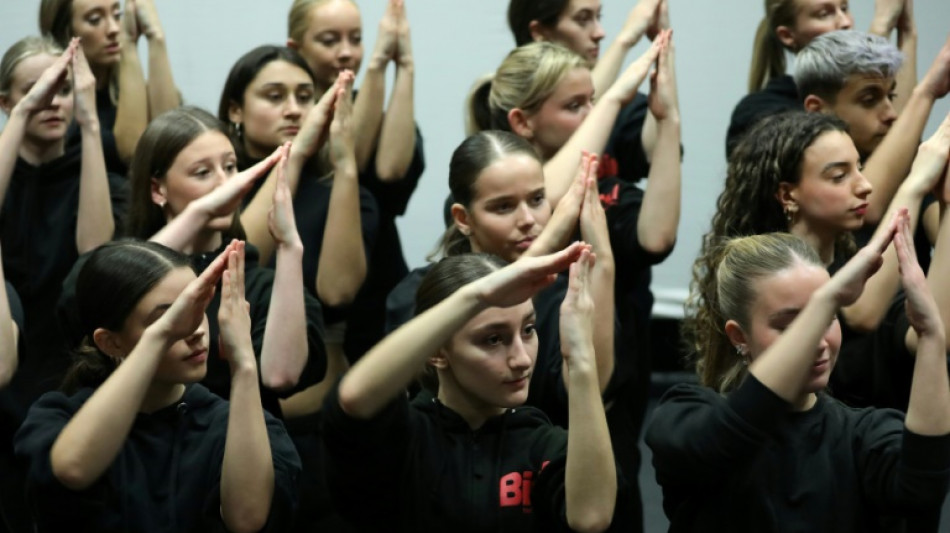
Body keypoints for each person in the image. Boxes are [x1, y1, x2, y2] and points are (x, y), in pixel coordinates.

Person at [647, 224, 950, 532]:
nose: (818, 341)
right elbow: (725, 438)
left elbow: (921, 491)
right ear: (740, 336)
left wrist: (931, 336)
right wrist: (824, 301)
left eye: (830, 317)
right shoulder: (685, 416)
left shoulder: (863, 436)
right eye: (793, 324)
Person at [326, 244, 623, 532]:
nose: (521, 359)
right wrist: (476, 294)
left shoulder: (544, 443)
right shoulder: (407, 437)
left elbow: (591, 518)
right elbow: (354, 397)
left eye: (528, 330)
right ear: (438, 351)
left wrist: (581, 358)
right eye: (493, 339)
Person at [15, 240, 301, 532]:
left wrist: (244, 366)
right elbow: (72, 469)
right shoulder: (59, 417)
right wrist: (163, 334)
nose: (196, 330)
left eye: (198, 309)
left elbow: (247, 520)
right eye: (170, 317)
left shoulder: (238, 425)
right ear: (111, 342)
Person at [696, 110, 950, 412]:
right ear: (788, 195)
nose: (864, 185)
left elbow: (929, 335)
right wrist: (913, 186)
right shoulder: (758, 277)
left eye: (859, 167)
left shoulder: (853, 261)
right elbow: (860, 315)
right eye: (840, 176)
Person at [114, 105, 327, 417]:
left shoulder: (256, 283)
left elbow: (282, 377)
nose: (225, 184)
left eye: (230, 168)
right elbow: (93, 296)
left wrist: (290, 247)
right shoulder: (119, 264)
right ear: (158, 188)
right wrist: (200, 213)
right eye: (203, 172)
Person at [286, 0, 425, 361]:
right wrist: (377, 65)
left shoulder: (376, 107)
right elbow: (346, 160)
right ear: (296, 49)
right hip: (317, 311)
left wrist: (403, 65)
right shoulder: (288, 124)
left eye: (357, 38)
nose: (346, 52)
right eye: (330, 40)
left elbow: (391, 170)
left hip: (381, 293)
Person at [505, 0, 672, 184]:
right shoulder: (503, 99)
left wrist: (664, 45)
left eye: (598, 17)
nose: (600, 33)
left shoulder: (624, 102)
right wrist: (625, 40)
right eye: (582, 19)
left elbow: (659, 158)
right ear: (540, 32)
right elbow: (546, 193)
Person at [726, 0, 917, 158]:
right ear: (787, 35)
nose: (845, 22)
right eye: (824, 14)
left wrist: (907, 32)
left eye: (844, 8)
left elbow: (901, 139)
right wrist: (881, 26)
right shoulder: (763, 110)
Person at [39, 0, 180, 173]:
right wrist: (128, 43)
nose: (114, 29)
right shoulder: (57, 104)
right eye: (95, 19)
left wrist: (156, 37)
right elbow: (131, 153)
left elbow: (175, 143)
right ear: (66, 32)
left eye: (117, 15)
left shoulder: (131, 88)